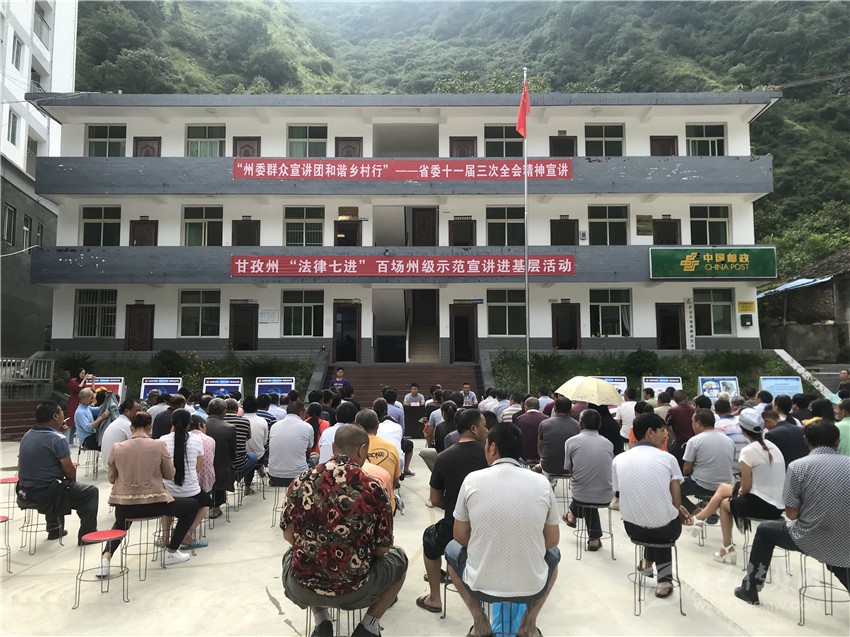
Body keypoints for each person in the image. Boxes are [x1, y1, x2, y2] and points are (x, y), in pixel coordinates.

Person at [281, 424, 408, 637]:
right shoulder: (373, 487)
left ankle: (322, 620)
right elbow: (383, 549)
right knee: (400, 559)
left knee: (292, 554)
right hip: (356, 590)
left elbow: (288, 535)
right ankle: (369, 626)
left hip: (303, 587)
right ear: (362, 450)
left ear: (333, 447)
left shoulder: (300, 481)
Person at [444, 421, 560, 637]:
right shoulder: (542, 483)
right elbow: (552, 541)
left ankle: (480, 622)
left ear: (492, 448)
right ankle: (529, 623)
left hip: (480, 584)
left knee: (451, 550)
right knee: (555, 556)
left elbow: (459, 536)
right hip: (532, 585)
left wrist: (485, 544)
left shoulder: (472, 480)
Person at [735, 420, 850, 604]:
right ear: (837, 441)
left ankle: (750, 589)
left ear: (806, 440)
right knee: (836, 555)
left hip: (810, 536)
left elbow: (791, 514)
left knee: (764, 531)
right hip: (845, 538)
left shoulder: (798, 467)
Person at [100, 412, 199, 576]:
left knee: (120, 525)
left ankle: (105, 558)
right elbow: (169, 474)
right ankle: (172, 551)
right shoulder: (158, 445)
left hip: (125, 506)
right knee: (192, 506)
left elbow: (111, 478)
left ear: (131, 428)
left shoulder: (117, 447)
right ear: (149, 427)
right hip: (155, 504)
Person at [690, 409, 785, 565]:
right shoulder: (772, 447)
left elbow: (746, 487)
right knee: (723, 489)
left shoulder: (748, 451)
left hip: (763, 505)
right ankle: (704, 523)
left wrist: (739, 492)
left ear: (742, 429)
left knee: (723, 501)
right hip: (778, 505)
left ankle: (717, 536)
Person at [417, 408, 489, 614]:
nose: (487, 430)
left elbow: (435, 499)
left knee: (429, 539)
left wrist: (454, 508)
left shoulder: (444, 457)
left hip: (455, 529)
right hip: (488, 528)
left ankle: (434, 598)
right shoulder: (490, 456)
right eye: (484, 426)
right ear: (474, 429)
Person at [613, 414, 690, 599]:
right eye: (663, 430)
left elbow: (621, 494)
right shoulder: (668, 459)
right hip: (665, 531)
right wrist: (676, 509)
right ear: (650, 432)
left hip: (633, 529)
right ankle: (664, 581)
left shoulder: (618, 459)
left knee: (653, 517)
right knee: (663, 523)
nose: (666, 435)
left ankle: (647, 562)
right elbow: (676, 501)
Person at [16, 402, 99, 544]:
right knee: (89, 492)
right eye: (61, 414)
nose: (63, 417)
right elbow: (69, 470)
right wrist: (73, 483)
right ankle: (87, 535)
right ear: (55, 416)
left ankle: (54, 529)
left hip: (24, 490)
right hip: (46, 493)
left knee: (56, 482)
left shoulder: (28, 434)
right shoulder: (57, 439)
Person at [562, 409, 614, 552]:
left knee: (584, 494)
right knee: (589, 495)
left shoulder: (571, 442)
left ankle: (572, 514)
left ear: (581, 424)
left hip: (580, 494)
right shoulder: (608, 443)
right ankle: (593, 539)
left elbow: (569, 470)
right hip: (606, 494)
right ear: (599, 425)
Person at [159, 408, 210, 549]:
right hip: (191, 492)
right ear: (189, 424)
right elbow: (198, 468)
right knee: (206, 502)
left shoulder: (162, 440)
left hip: (168, 491)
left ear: (172, 423)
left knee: (167, 502)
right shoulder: (197, 440)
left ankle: (165, 537)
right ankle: (186, 533)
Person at [680, 408, 735, 514]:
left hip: (704, 485)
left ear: (698, 423)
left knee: (672, 488)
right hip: (727, 485)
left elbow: (687, 470)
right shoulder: (728, 440)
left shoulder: (694, 440)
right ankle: (711, 510)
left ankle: (697, 513)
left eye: (692, 422)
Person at [267, 402, 315, 488]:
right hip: (298, 476)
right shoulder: (307, 427)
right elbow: (309, 451)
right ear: (301, 413)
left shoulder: (275, 426)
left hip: (274, 475)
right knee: (315, 457)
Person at [203, 398, 236, 519]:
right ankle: (216, 506)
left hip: (201, 465)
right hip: (221, 467)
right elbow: (232, 452)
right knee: (224, 464)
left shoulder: (200, 425)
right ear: (224, 411)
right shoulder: (229, 428)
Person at [535, 396, 580, 479]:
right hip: (571, 468)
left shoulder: (544, 424)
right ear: (570, 410)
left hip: (548, 466)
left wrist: (542, 459)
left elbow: (540, 446)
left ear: (555, 409)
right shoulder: (578, 425)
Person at [224, 398, 256, 495]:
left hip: (222, 461)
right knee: (253, 457)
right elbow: (247, 437)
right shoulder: (245, 421)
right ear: (237, 409)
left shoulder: (219, 421)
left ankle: (234, 478)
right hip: (239, 461)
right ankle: (236, 478)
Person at [765, 402, 808, 467]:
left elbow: (770, 456)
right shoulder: (801, 429)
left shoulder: (771, 434)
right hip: (803, 465)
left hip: (784, 468)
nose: (765, 427)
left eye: (764, 425)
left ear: (767, 421)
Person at [100, 398, 140, 469]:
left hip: (109, 465)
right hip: (117, 467)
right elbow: (139, 446)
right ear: (127, 411)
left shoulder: (117, 422)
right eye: (137, 411)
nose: (140, 414)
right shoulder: (128, 425)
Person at [242, 395, 270, 493]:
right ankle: (260, 469)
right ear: (257, 408)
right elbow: (265, 442)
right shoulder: (263, 421)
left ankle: (248, 484)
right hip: (259, 458)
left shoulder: (240, 420)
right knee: (258, 452)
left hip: (241, 458)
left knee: (248, 454)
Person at [188, 414, 216, 496]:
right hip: (207, 481)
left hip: (189, 483)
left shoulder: (184, 438)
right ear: (200, 425)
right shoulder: (210, 440)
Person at [666, 390, 696, 464]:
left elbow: (666, 427)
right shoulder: (694, 410)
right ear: (686, 398)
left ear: (675, 400)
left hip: (679, 443)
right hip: (694, 443)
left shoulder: (672, 411)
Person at [65, 368, 93, 445]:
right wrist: (84, 379)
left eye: (84, 373)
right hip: (73, 403)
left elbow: (87, 390)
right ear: (78, 373)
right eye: (82, 373)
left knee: (75, 424)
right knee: (70, 422)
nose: (83, 375)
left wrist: (92, 381)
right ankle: (67, 441)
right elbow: (78, 388)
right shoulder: (73, 381)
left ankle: (71, 441)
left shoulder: (82, 382)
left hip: (79, 403)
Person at [516, 397, 547, 462]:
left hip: (524, 456)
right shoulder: (546, 419)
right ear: (538, 407)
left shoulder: (519, 419)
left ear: (525, 407)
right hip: (542, 456)